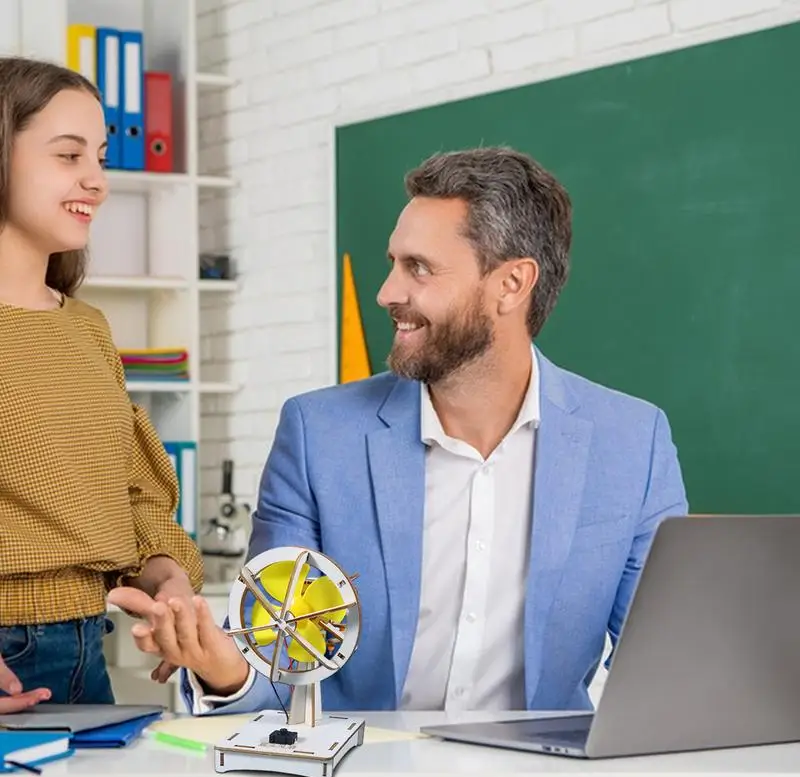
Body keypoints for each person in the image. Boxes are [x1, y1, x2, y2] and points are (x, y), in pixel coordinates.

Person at [110, 146, 688, 715]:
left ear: (511, 284)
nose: (387, 292)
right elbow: (279, 667)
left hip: (541, 775)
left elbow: (669, 661)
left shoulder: (632, 443)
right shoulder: (319, 436)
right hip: (366, 773)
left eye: (419, 268)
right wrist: (221, 666)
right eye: (393, 263)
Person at [0, 56, 204, 713]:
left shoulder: (86, 329)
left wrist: (168, 576)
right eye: (68, 155)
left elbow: (133, 494)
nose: (97, 180)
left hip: (93, 651)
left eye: (101, 157)